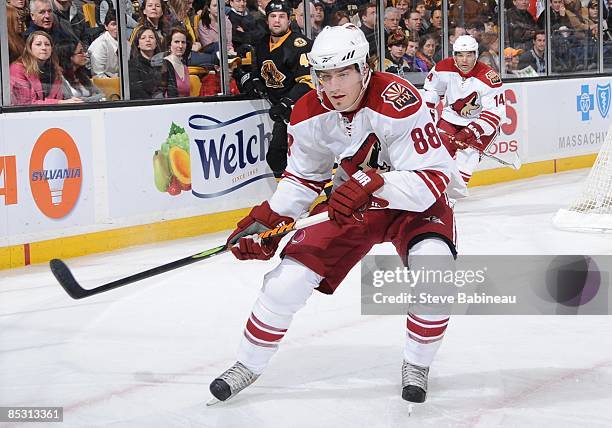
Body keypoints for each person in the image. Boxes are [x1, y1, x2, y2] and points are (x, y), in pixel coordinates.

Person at [209, 23, 462, 407]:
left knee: (435, 270)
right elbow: (302, 179)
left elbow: (433, 178)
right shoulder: (308, 111)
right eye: (324, 76)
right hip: (353, 204)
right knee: (285, 281)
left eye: (343, 73)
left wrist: (375, 185)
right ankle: (247, 363)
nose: (333, 86)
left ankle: (417, 363)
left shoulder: (397, 99)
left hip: (414, 203)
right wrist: (269, 220)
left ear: (365, 69)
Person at [235, 0, 313, 178]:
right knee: (278, 159)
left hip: (301, 109)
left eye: (281, 16)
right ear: (267, 20)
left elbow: (308, 83)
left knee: (293, 156)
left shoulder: (299, 45)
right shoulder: (262, 43)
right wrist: (253, 80)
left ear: (289, 19)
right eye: (273, 16)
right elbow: (259, 71)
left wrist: (287, 103)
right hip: (278, 109)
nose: (277, 21)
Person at [423, 34, 504, 192]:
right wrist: (429, 116)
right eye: (460, 55)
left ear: (476, 55)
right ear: (454, 55)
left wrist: (469, 132)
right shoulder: (443, 68)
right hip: (451, 118)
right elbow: (431, 90)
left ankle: (451, 199)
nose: (464, 60)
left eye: (469, 55)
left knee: (466, 162)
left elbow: (495, 114)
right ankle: (433, 196)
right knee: (437, 156)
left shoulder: (489, 78)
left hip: (480, 124)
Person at [10, 30, 81, 104]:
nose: (44, 48)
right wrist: (59, 102)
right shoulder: (17, 69)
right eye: (38, 44)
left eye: (47, 44)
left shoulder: (55, 70)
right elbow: (26, 103)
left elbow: (65, 97)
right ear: (29, 48)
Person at [128, 26, 164, 99]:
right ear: (138, 44)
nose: (148, 40)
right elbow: (136, 90)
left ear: (156, 43)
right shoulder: (132, 65)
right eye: (143, 38)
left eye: (151, 37)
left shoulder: (164, 63)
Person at [87, 10, 119, 77]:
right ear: (106, 26)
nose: (117, 27)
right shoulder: (100, 45)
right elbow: (98, 75)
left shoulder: (126, 43)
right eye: (113, 24)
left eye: (121, 23)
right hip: (106, 83)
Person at [161, 27, 191, 97]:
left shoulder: (185, 67)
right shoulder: (163, 64)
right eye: (176, 42)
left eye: (183, 42)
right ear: (169, 44)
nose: (180, 46)